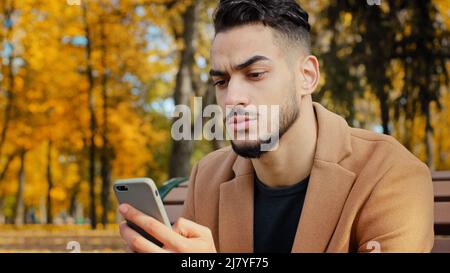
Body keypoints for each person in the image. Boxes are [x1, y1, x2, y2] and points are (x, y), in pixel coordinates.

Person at [118, 0, 434, 253]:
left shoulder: (389, 173)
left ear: (306, 76)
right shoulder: (207, 176)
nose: (232, 98)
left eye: (255, 74)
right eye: (222, 81)